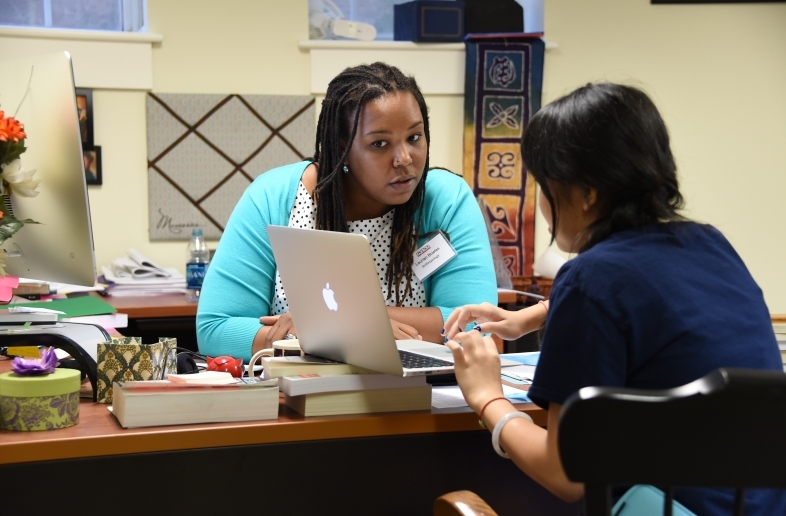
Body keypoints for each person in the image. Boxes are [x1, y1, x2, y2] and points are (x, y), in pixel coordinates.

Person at [442, 83, 785, 515]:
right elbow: (660, 308)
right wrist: (538, 314)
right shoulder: (710, 244)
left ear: (587, 193)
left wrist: (487, 396)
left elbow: (564, 474)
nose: (543, 204)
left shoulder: (590, 279)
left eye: (545, 185)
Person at [197, 62, 496, 362]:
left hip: (424, 396)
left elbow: (475, 324)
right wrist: (308, 332)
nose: (404, 158)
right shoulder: (272, 198)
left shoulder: (446, 199)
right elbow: (216, 328)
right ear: (343, 149)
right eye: (379, 143)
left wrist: (348, 324)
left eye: (414, 137)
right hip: (300, 395)